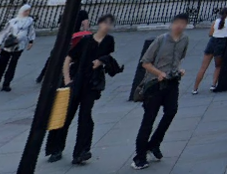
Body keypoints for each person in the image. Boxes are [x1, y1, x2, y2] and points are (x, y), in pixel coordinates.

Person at [46, 14, 119, 165]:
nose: (107, 26)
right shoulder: (85, 41)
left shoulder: (109, 41)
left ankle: (81, 152)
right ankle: (56, 149)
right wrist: (67, 80)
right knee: (66, 115)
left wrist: (101, 61)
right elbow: (68, 58)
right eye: (105, 23)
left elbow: (107, 57)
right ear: (99, 24)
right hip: (77, 80)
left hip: (92, 83)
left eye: (110, 24)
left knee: (86, 116)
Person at [133, 13, 189, 170]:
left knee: (171, 111)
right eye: (177, 23)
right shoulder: (161, 40)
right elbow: (145, 62)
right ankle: (139, 156)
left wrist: (178, 70)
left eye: (183, 23)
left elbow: (179, 58)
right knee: (148, 119)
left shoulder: (185, 40)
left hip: (172, 83)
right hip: (155, 84)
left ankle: (154, 143)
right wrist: (159, 73)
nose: (179, 26)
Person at [38, 10, 91, 84]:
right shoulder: (82, 13)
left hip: (64, 37)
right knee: (74, 56)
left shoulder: (66, 12)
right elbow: (86, 26)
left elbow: (60, 26)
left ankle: (43, 74)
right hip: (74, 38)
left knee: (53, 56)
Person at [0, 4, 37, 90]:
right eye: (26, 11)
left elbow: (31, 32)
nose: (27, 13)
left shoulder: (29, 21)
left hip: (19, 45)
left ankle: (6, 83)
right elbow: (4, 33)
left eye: (28, 11)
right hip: (8, 45)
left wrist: (31, 41)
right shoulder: (12, 21)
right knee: (2, 63)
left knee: (12, 65)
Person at [192, 7, 227, 94]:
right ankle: (213, 84)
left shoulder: (215, 21)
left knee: (203, 67)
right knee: (218, 66)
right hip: (222, 42)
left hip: (212, 42)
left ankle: (195, 88)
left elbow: (210, 34)